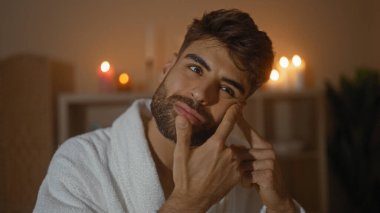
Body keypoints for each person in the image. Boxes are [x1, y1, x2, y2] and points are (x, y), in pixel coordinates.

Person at [34, 9, 304, 212]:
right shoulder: (80, 162)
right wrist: (190, 202)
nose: (200, 94)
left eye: (226, 89)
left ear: (239, 109)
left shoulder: (240, 175)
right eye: (195, 69)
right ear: (167, 68)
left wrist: (281, 205)